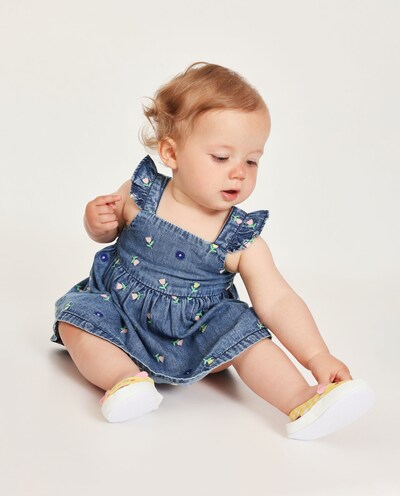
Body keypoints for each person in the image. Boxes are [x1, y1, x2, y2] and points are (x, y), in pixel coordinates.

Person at [51, 62, 374, 440]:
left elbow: (278, 301)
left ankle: (303, 400)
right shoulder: (139, 193)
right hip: (121, 314)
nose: (239, 172)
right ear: (171, 153)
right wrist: (97, 222)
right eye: (221, 157)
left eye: (251, 160)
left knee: (244, 331)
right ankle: (125, 382)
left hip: (198, 335)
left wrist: (317, 355)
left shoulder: (242, 240)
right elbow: (106, 232)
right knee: (77, 317)